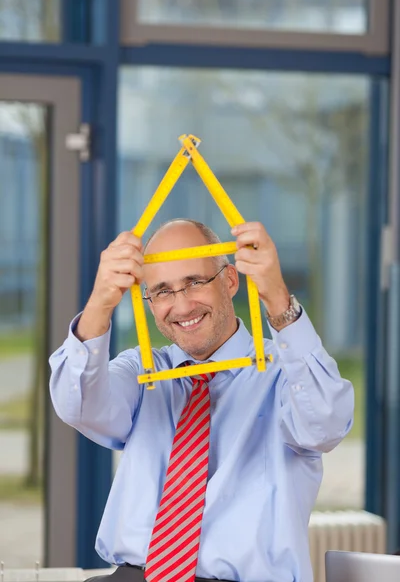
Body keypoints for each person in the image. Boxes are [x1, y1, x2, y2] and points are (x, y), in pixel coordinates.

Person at [49, 219, 354, 582]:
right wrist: (100, 301)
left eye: (195, 282)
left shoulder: (285, 374)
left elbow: (327, 423)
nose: (181, 306)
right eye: (162, 291)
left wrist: (277, 298)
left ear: (229, 280)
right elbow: (77, 404)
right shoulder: (144, 370)